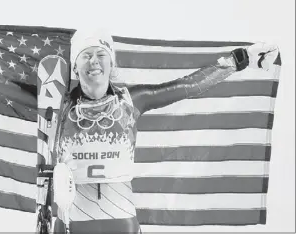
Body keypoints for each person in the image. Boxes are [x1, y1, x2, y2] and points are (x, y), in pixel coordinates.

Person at [52, 28, 278, 233]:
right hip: (71, 223)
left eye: (101, 55)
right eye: (86, 55)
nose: (94, 62)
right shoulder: (56, 106)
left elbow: (188, 86)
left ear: (111, 64)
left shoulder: (131, 102)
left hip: (120, 223)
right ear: (74, 65)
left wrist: (241, 59)